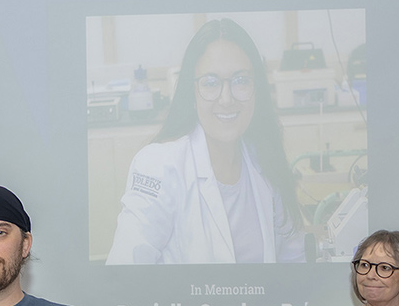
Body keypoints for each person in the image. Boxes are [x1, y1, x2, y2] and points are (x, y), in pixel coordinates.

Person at [106, 17, 305, 264]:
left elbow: (294, 260)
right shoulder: (159, 166)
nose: (226, 99)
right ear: (192, 92)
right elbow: (125, 269)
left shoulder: (264, 159)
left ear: (257, 89)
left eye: (241, 81)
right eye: (211, 83)